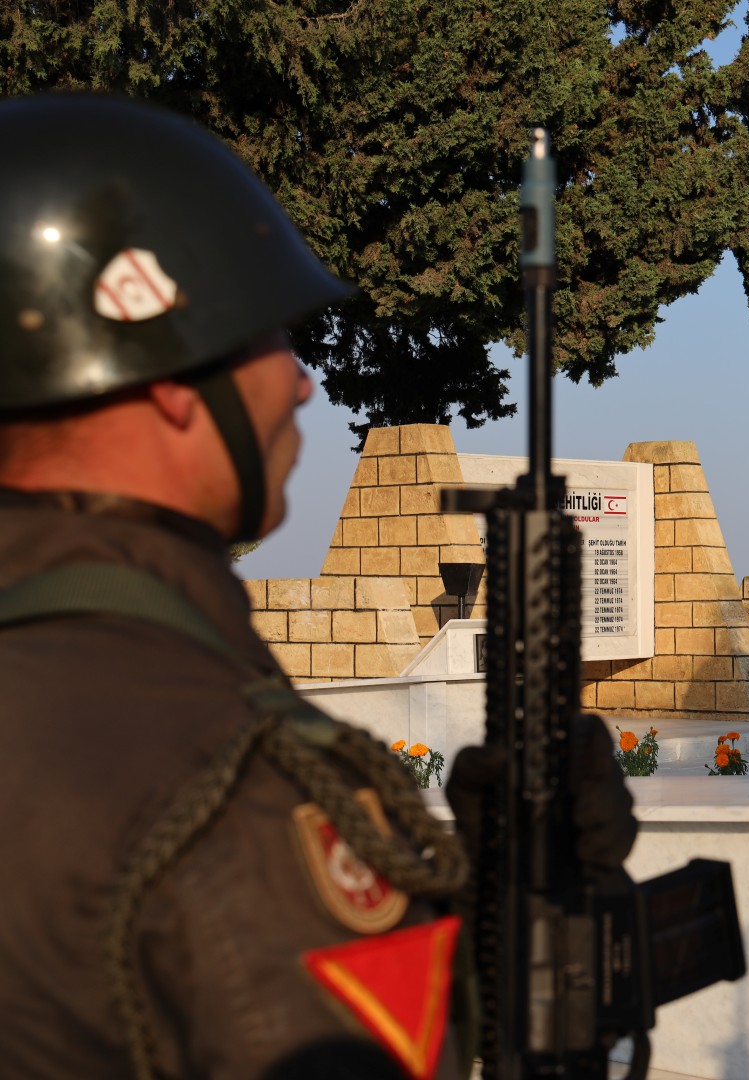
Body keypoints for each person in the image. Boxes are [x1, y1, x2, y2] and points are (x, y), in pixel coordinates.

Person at [0, 93, 634, 1080]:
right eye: (267, 336)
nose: (300, 383)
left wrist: (489, 891)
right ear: (169, 377)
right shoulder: (224, 791)